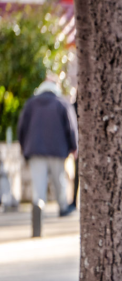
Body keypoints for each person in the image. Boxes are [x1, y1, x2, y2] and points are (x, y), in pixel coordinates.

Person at [17, 77, 78, 216]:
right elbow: (71, 127)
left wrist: (24, 147)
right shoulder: (62, 103)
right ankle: (63, 208)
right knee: (59, 181)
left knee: (38, 184)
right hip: (57, 149)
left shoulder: (31, 103)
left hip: (35, 149)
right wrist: (74, 147)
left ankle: (38, 211)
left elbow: (21, 128)